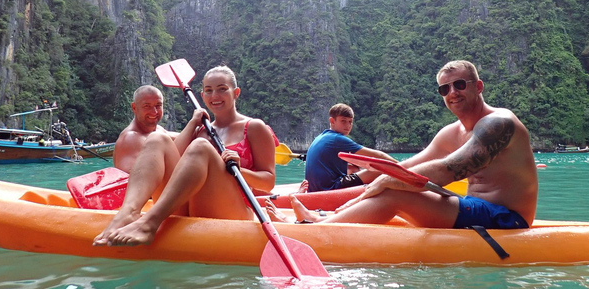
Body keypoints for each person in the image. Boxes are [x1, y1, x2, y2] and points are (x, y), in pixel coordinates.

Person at [269, 60, 538, 230]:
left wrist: (388, 182)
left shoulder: (498, 123)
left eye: (459, 84)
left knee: (395, 193)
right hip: (473, 206)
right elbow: (409, 164)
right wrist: (377, 178)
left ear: (478, 86)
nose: (452, 92)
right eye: (444, 89)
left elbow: (447, 170)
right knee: (387, 186)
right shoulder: (452, 132)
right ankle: (320, 219)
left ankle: (316, 228)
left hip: (507, 218)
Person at [93, 66, 276, 247]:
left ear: (236, 92)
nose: (214, 96)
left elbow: (268, 183)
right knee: (157, 138)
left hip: (235, 210)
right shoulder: (202, 130)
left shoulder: (254, 127)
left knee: (201, 147)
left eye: (222, 89)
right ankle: (128, 212)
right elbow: (170, 161)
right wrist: (193, 124)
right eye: (209, 90)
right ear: (202, 96)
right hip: (191, 205)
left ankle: (149, 223)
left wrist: (240, 170)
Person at [302, 103, 397, 192]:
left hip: (315, 190)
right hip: (331, 188)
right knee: (383, 170)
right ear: (332, 121)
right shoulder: (337, 139)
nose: (348, 126)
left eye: (350, 122)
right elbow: (379, 155)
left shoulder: (322, 137)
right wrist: (402, 167)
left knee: (353, 168)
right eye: (343, 121)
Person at [112, 85, 173, 173]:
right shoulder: (130, 139)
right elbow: (132, 178)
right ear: (134, 107)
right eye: (147, 106)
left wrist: (195, 123)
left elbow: (181, 137)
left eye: (158, 105)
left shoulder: (159, 130)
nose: (154, 112)